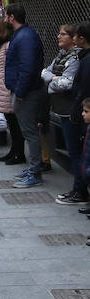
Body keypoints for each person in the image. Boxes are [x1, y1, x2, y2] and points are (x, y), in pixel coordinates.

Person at [4, 4, 45, 189]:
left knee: (30, 132)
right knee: (27, 131)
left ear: (12, 17)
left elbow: (27, 67)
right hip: (22, 90)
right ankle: (33, 168)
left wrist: (20, 92)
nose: (4, 20)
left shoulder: (25, 37)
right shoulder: (22, 35)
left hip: (26, 92)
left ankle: (36, 172)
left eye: (6, 16)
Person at [41, 24, 81, 193]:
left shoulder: (75, 59)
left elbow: (66, 84)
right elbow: (44, 73)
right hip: (59, 109)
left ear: (74, 38)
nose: (58, 36)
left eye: (63, 34)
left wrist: (52, 80)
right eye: (59, 33)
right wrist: (54, 78)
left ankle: (79, 190)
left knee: (75, 151)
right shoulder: (61, 56)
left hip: (69, 110)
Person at [60, 22, 90, 204]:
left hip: (80, 112)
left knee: (79, 153)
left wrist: (79, 110)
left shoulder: (85, 60)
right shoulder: (82, 57)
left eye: (75, 36)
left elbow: (79, 87)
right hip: (80, 110)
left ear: (81, 38)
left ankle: (80, 191)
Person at [0, 18, 23, 165]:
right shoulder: (0, 44)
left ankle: (18, 153)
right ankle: (14, 151)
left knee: (14, 123)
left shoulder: (8, 46)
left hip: (8, 87)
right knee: (11, 121)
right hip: (3, 86)